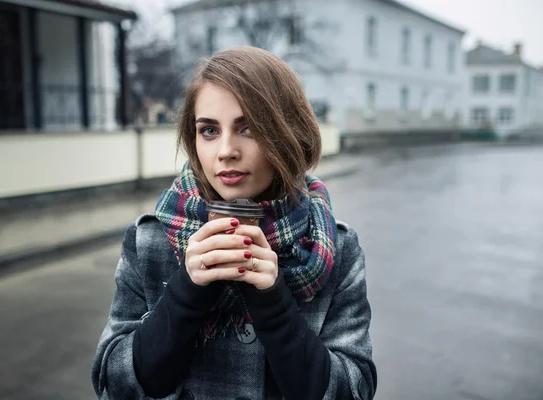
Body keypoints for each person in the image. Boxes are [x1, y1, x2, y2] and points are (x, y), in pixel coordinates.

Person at [92, 46, 377, 400]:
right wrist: (186, 292)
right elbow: (114, 383)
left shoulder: (336, 247)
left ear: (289, 133)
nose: (226, 150)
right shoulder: (150, 239)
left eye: (249, 128)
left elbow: (354, 390)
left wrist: (274, 305)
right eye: (209, 131)